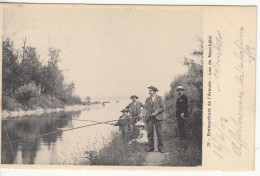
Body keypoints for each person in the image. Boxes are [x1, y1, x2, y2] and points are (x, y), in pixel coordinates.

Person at [144, 86, 166, 153]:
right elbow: (145, 108)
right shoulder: (147, 99)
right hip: (149, 118)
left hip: (158, 118)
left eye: (150, 90)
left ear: (154, 91)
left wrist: (156, 112)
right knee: (150, 133)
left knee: (159, 133)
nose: (149, 92)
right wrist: (142, 113)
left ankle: (161, 148)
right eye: (149, 90)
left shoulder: (159, 98)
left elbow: (163, 108)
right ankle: (150, 147)